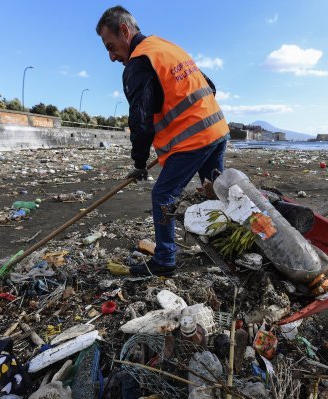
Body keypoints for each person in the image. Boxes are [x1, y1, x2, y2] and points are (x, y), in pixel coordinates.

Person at [95, 6, 230, 277]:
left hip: (193, 140)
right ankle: (229, 245)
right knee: (217, 191)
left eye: (111, 47)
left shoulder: (139, 62)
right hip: (217, 129)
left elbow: (141, 121)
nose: (111, 57)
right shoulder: (166, 47)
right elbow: (210, 87)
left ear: (125, 30)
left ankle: (165, 260)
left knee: (163, 195)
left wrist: (139, 162)